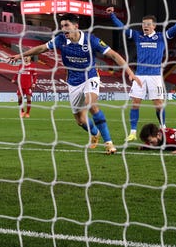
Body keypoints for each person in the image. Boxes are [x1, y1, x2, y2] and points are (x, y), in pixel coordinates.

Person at [9, 13, 142, 155]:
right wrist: (20, 55)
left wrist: (130, 72)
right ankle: (94, 133)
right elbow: (42, 48)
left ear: (76, 26)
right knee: (80, 120)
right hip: (73, 82)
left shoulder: (91, 40)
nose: (64, 29)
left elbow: (114, 55)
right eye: (62, 26)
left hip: (90, 77)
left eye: (66, 25)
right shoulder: (60, 40)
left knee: (91, 104)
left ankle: (109, 143)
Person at [106, 6, 176, 141]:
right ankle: (133, 132)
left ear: (154, 26)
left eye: (148, 24)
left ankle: (163, 128)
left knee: (159, 104)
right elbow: (123, 28)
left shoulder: (161, 37)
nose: (145, 26)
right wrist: (112, 16)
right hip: (140, 75)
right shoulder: (137, 36)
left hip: (155, 76)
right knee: (135, 103)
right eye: (143, 24)